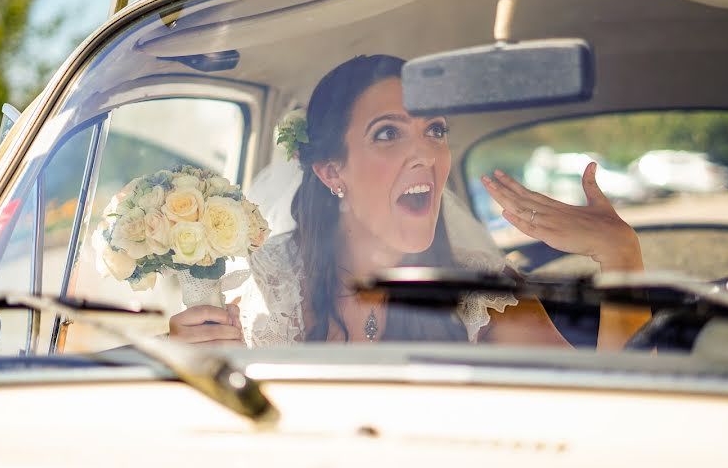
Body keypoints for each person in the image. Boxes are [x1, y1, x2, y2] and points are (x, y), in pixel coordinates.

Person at [169, 55, 649, 347]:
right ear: (332, 171)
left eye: (434, 131)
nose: (425, 154)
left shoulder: (488, 293)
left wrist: (621, 256)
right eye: (388, 133)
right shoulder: (262, 285)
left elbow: (613, 418)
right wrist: (184, 353)